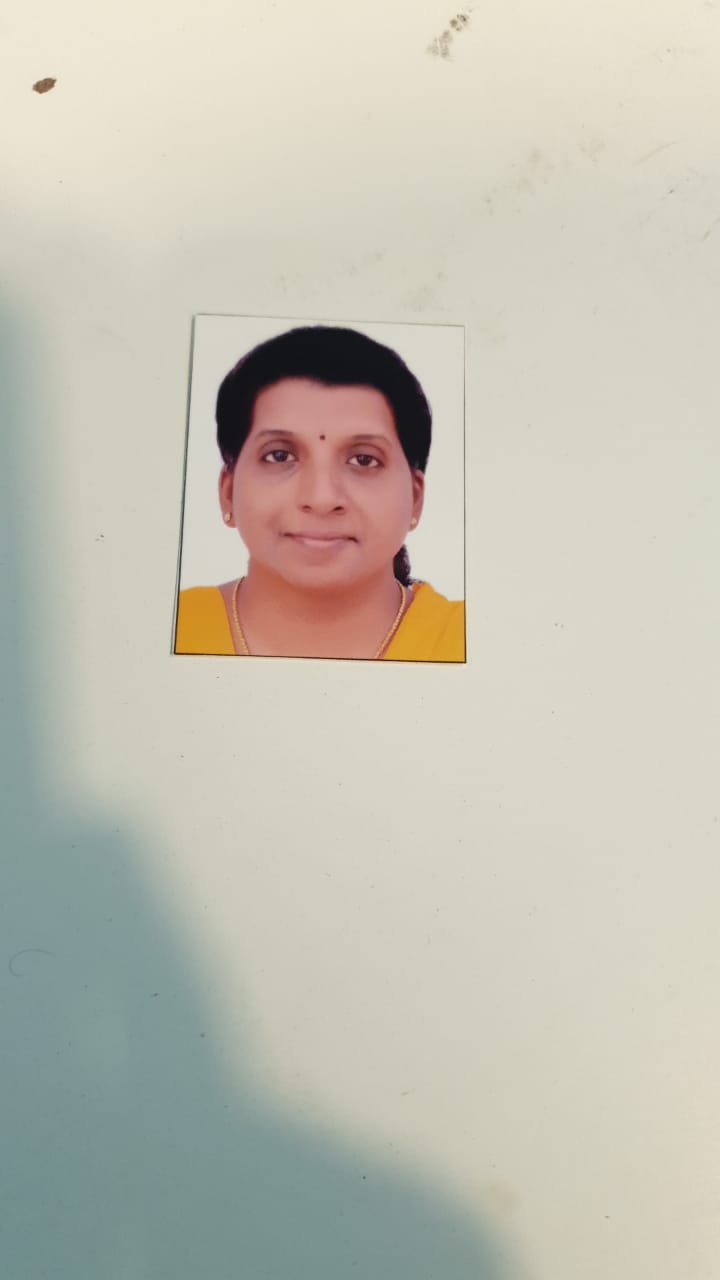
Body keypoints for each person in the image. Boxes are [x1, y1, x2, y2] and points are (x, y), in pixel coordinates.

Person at [175, 325, 465, 661]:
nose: (321, 499)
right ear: (227, 491)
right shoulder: (163, 625)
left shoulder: (482, 640)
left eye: (364, 460)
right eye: (279, 455)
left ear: (415, 498)